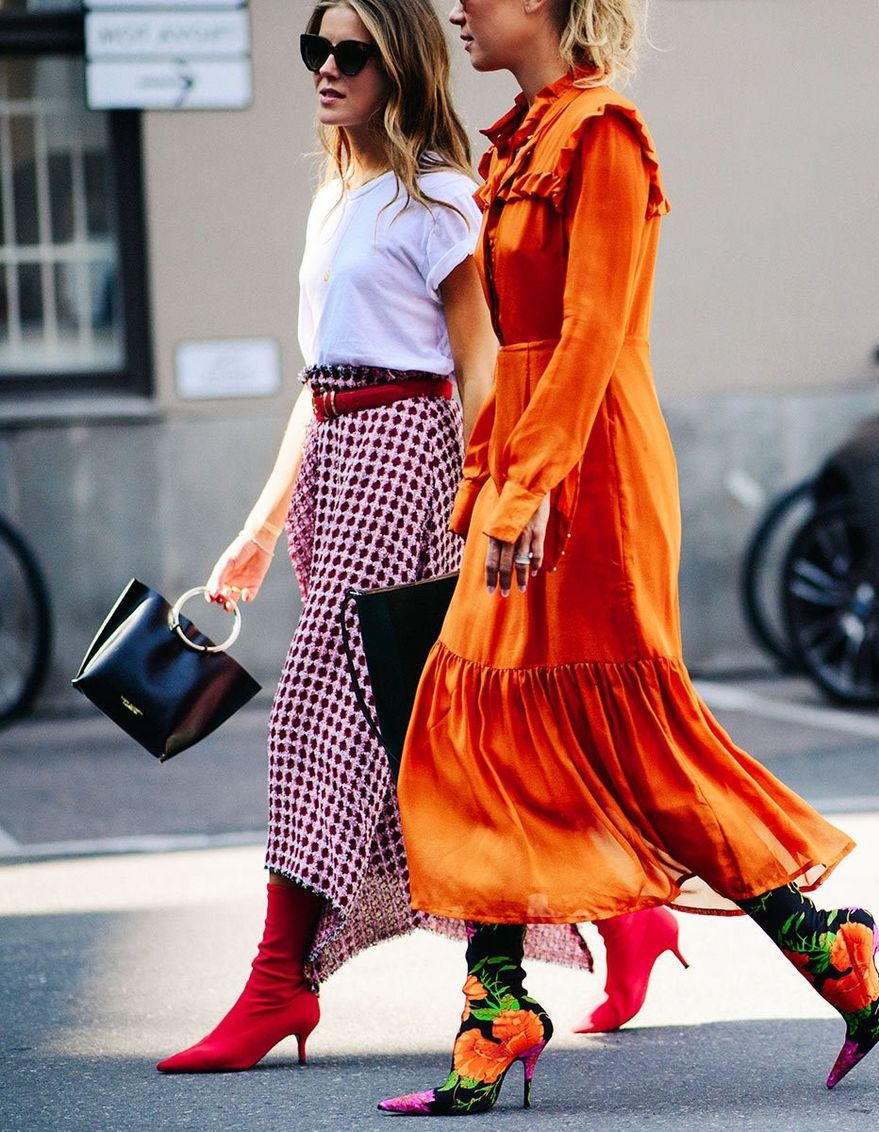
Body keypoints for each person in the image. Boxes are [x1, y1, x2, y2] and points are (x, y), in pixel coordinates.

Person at [378, 0, 879, 1115]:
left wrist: (530, 485)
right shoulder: (520, 139)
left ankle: (828, 950)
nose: (455, 8)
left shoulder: (602, 134)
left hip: (595, 475)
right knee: (477, 727)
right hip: (531, 459)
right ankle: (496, 1007)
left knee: (638, 748)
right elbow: (509, 347)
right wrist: (486, 479)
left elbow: (589, 330)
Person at [156, 0, 675, 1076]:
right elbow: (320, 379)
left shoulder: (438, 195)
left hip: (406, 463)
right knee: (422, 730)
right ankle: (624, 912)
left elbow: (480, 362)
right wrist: (258, 527)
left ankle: (278, 982)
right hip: (336, 466)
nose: (326, 68)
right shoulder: (335, 196)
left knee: (316, 713)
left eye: (349, 52)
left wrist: (499, 495)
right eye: (315, 48)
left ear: (398, 66)